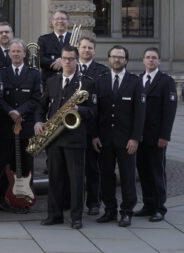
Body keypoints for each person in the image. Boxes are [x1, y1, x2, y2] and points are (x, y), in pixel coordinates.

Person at [35, 45, 96, 230]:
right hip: (53, 138)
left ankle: (76, 217)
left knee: (76, 179)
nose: (67, 62)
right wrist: (38, 122)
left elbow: (94, 111)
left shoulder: (86, 83)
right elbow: (41, 106)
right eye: (64, 58)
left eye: (71, 58)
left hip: (74, 138)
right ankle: (54, 215)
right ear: (60, 60)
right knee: (55, 178)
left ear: (77, 60)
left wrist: (79, 109)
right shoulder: (52, 81)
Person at [91, 45, 145, 227]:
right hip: (104, 140)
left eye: (120, 57)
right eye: (114, 57)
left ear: (126, 60)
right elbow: (95, 112)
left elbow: (140, 113)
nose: (117, 60)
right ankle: (109, 210)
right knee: (106, 176)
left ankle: (127, 211)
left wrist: (135, 138)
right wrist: (95, 135)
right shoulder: (101, 81)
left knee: (128, 177)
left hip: (126, 140)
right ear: (109, 59)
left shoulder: (135, 82)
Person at [0, 39, 41, 210]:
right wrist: (10, 112)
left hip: (26, 125)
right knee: (4, 164)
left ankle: (26, 198)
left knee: (27, 164)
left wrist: (20, 112)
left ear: (24, 54)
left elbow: (36, 98)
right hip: (6, 126)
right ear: (9, 54)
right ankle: (3, 199)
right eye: (12, 51)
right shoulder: (1, 73)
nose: (15, 54)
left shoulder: (34, 74)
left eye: (18, 51)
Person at [135, 47, 178, 222]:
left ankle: (159, 207)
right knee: (143, 172)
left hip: (156, 137)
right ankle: (148, 205)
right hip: (140, 137)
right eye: (148, 57)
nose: (151, 60)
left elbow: (170, 111)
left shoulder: (165, 81)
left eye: (154, 58)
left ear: (159, 61)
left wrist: (164, 136)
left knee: (157, 172)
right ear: (143, 61)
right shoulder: (139, 80)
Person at [77, 36, 109, 216]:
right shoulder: (70, 67)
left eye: (90, 48)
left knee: (92, 168)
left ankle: (93, 202)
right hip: (72, 128)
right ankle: (72, 202)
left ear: (94, 51)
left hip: (93, 128)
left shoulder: (102, 71)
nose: (86, 50)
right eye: (83, 47)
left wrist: (97, 133)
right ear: (78, 49)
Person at [37, 9, 72, 84]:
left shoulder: (75, 38)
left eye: (63, 19)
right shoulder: (43, 39)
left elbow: (79, 58)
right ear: (52, 22)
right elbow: (40, 59)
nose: (60, 21)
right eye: (57, 19)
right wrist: (57, 62)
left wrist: (62, 61)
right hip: (49, 80)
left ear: (68, 22)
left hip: (70, 80)